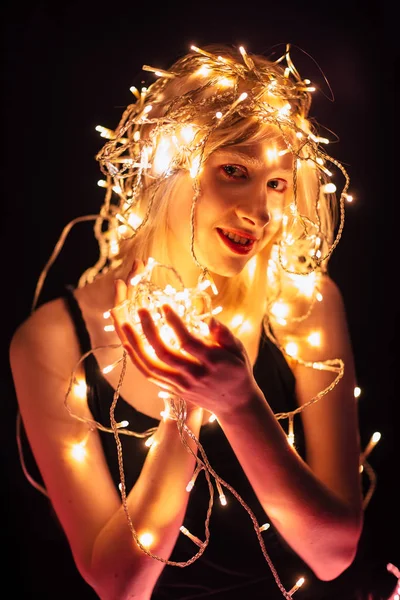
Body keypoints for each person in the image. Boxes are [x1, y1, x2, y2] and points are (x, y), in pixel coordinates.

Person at [9, 42, 370, 599]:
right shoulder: (52, 341)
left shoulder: (305, 307)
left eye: (277, 183)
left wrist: (239, 401)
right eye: (234, 170)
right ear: (169, 167)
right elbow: (118, 586)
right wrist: (188, 407)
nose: (262, 212)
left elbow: (332, 555)